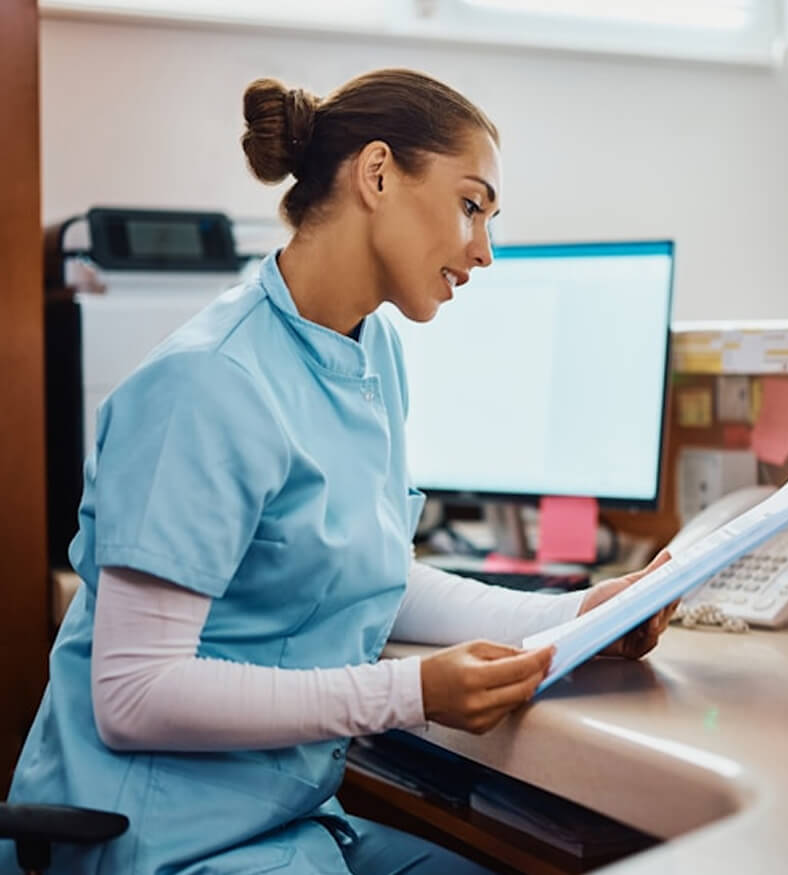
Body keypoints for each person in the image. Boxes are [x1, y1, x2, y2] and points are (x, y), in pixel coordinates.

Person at [3, 69, 674, 874]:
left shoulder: (371, 352)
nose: (485, 251)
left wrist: (570, 620)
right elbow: (135, 695)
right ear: (379, 174)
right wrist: (412, 694)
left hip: (289, 824)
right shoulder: (207, 382)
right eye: (471, 205)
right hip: (159, 838)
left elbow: (376, 576)